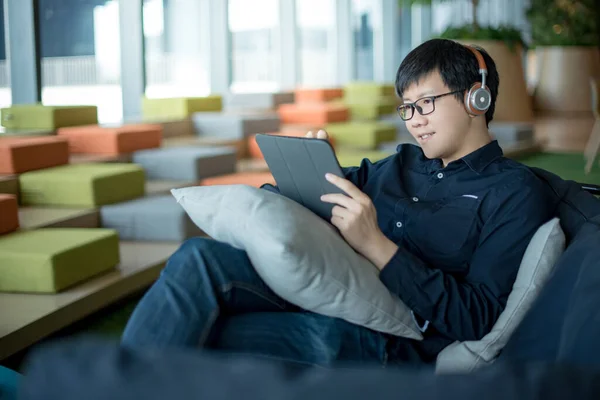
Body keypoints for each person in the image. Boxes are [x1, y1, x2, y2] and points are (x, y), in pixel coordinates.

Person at [121, 38, 554, 368]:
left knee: (214, 332)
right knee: (199, 257)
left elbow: (477, 318)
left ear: (476, 98)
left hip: (389, 340)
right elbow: (308, 200)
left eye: (426, 103)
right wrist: (307, 175)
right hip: (329, 284)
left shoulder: (512, 192)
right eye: (407, 108)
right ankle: (106, 382)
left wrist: (377, 246)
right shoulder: (399, 164)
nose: (415, 120)